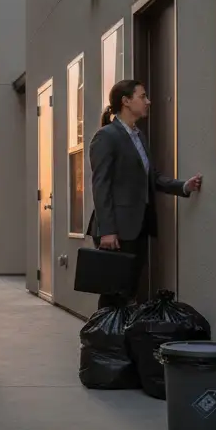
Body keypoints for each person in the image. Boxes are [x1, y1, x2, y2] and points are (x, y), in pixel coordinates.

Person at [87, 78, 203, 309]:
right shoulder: (107, 136)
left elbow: (152, 176)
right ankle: (104, 342)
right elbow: (101, 185)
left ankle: (121, 340)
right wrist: (108, 230)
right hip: (116, 230)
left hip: (138, 226)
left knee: (128, 289)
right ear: (126, 101)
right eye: (142, 96)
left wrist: (183, 186)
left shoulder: (138, 136)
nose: (148, 101)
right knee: (114, 292)